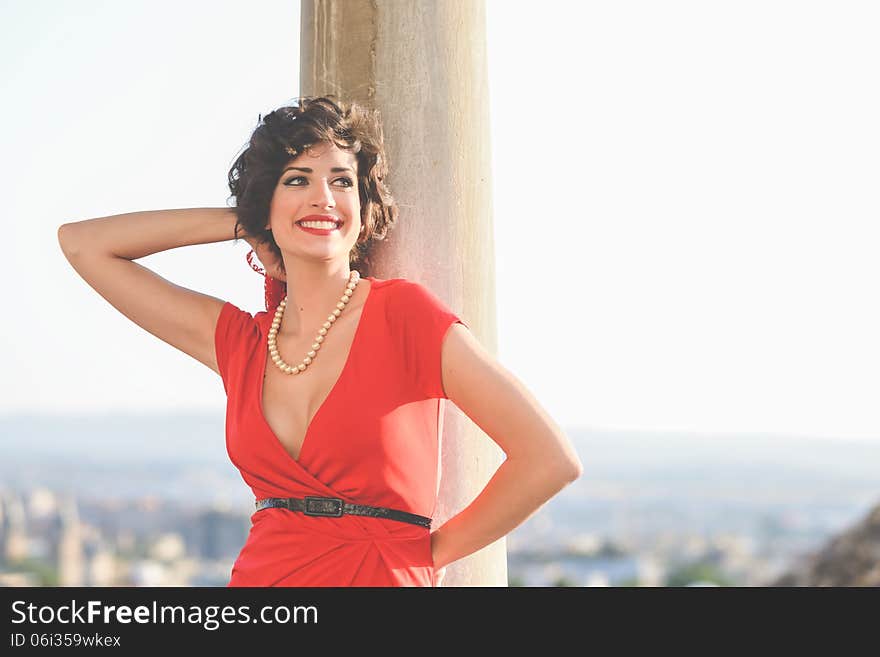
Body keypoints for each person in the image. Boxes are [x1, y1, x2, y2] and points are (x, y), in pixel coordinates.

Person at [57, 96, 583, 587]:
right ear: (266, 202)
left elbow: (548, 458)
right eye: (297, 180)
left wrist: (430, 553)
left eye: (342, 181)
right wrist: (243, 223)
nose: (323, 198)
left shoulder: (405, 316)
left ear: (364, 205)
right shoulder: (242, 342)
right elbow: (84, 244)